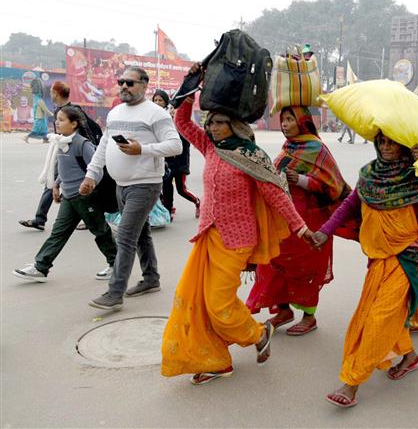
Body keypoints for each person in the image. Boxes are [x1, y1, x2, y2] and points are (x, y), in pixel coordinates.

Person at [161, 85, 313, 384]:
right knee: (199, 301)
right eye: (211, 122)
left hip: (237, 239)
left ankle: (258, 334)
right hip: (208, 234)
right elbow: (182, 123)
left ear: (236, 126)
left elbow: (277, 195)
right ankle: (216, 361)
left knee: (218, 303)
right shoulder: (210, 146)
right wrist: (189, 93)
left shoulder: (250, 155)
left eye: (220, 122)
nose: (213, 127)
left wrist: (301, 227)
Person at [312, 133, 418, 408]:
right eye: (382, 142)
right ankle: (410, 357)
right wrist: (325, 231)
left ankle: (352, 382)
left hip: (408, 256)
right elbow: (350, 205)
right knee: (382, 313)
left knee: (378, 317)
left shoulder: (417, 173)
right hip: (378, 258)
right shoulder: (370, 174)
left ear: (403, 145)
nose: (386, 147)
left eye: (392, 142)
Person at [80, 67, 182, 310]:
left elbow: (175, 145)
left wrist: (143, 149)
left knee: (125, 236)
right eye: (121, 82)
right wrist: (91, 175)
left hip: (145, 184)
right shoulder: (115, 112)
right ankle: (151, 278)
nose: (124, 86)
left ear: (144, 85)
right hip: (121, 184)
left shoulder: (156, 114)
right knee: (141, 234)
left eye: (130, 83)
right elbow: (104, 145)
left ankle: (115, 292)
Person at [245, 106, 349, 336]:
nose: (285, 124)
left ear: (302, 122)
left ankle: (309, 317)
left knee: (305, 269)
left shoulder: (317, 148)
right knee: (274, 265)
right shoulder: (287, 148)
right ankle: (283, 310)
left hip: (309, 220)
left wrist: (301, 180)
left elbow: (334, 186)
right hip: (283, 219)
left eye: (290, 119)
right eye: (283, 120)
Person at [13, 106, 116, 282]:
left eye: (61, 120)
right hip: (69, 197)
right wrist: (56, 185)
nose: (57, 123)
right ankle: (40, 267)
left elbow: (96, 168)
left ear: (74, 124)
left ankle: (117, 264)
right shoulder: (62, 142)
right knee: (58, 233)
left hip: (85, 197)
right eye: (57, 119)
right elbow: (64, 168)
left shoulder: (82, 144)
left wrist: (88, 185)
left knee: (100, 231)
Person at [19, 82, 99, 232]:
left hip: (77, 154)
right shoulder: (58, 111)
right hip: (63, 152)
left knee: (84, 186)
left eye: (51, 91)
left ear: (56, 93)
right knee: (51, 181)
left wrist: (91, 152)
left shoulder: (74, 111)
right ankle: (40, 218)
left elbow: (87, 132)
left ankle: (90, 218)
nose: (50, 93)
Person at [154, 89, 200, 220]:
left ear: (166, 102)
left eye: (160, 100)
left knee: (181, 189)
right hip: (164, 159)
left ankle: (197, 201)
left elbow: (185, 141)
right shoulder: (154, 119)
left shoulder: (175, 117)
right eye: (155, 100)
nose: (157, 103)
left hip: (180, 160)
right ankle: (168, 211)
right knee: (164, 187)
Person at [23, 78, 52, 143]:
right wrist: (53, 115)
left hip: (39, 118)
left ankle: (45, 139)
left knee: (44, 130)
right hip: (40, 119)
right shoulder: (40, 100)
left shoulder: (35, 99)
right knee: (36, 130)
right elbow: (46, 110)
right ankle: (26, 136)